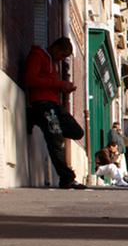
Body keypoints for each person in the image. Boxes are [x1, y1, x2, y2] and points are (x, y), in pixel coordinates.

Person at [24, 37, 86, 189]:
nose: (62, 59)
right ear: (56, 48)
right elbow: (30, 79)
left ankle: (37, 119)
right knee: (56, 140)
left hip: (54, 105)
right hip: (43, 104)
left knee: (77, 132)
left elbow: (50, 83)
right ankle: (67, 178)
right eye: (62, 55)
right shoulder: (38, 55)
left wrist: (63, 88)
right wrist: (59, 84)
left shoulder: (53, 62)